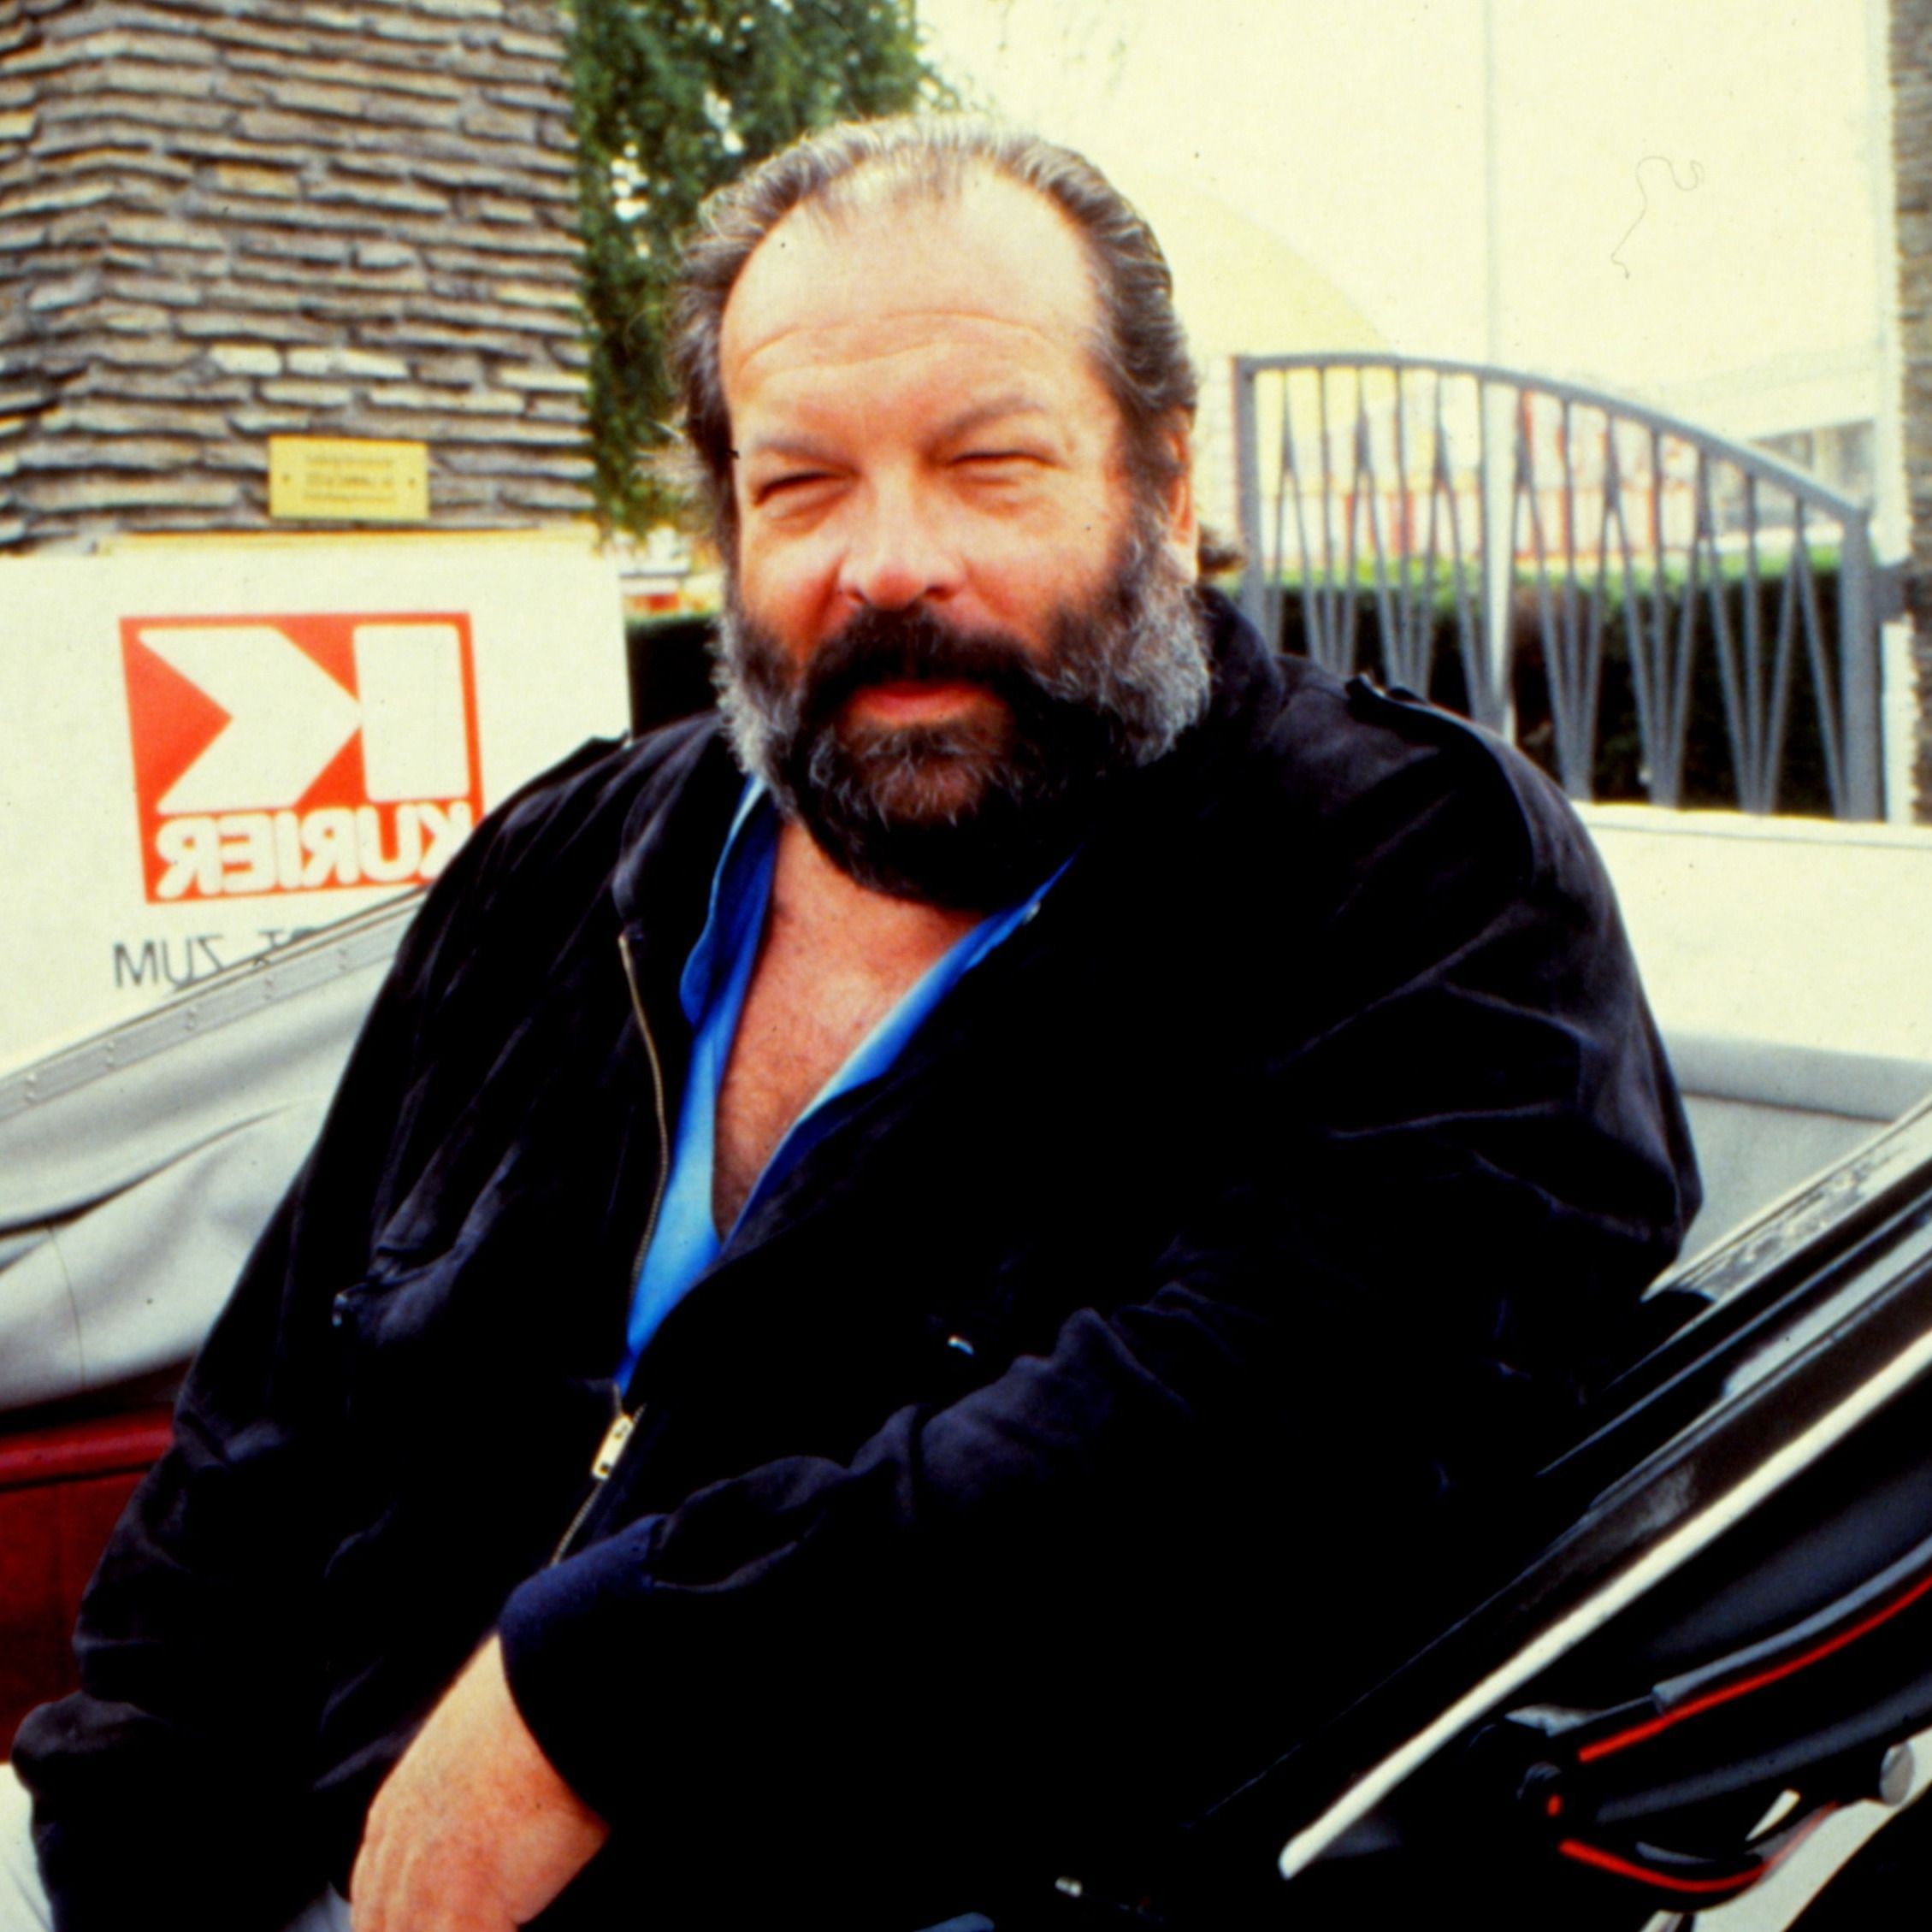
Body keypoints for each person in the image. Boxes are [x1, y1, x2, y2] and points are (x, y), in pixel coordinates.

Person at [5, 115, 1700, 1932]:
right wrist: (144, 1865)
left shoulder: (1413, 874)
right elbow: (246, 1465)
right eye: (804, 485)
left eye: (988, 465)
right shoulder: (565, 866)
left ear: (1162, 480)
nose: (890, 564)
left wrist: (595, 1692)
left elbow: (1278, 1422)